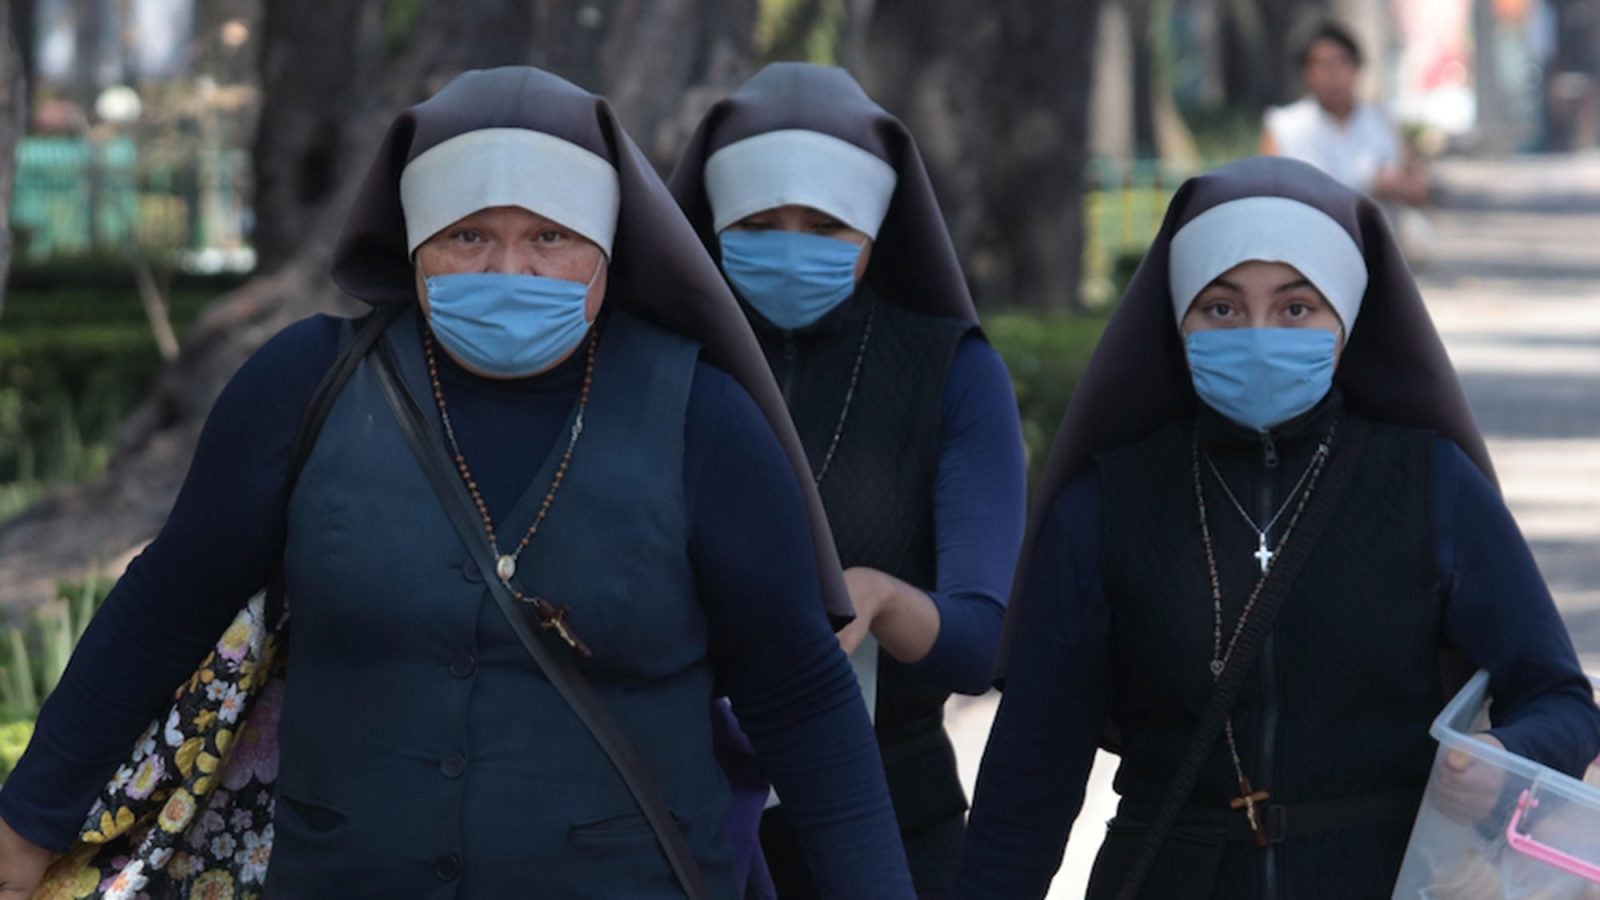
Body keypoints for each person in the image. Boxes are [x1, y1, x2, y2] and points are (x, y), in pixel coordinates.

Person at [0, 66, 916, 898]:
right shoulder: (304, 386)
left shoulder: (700, 418)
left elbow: (799, 695)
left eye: (549, 237)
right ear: (412, 242)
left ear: (605, 246)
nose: (509, 271)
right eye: (468, 234)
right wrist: (25, 825)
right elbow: (163, 611)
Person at [955, 156, 1600, 899]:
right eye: (1222, 309)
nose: (1258, 335)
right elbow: (1031, 770)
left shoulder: (1429, 484)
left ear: (1346, 319)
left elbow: (1560, 698)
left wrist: (1501, 756)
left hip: (1379, 875)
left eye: (1296, 309)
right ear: (1179, 319)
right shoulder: (1107, 503)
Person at [670, 63, 1027, 897]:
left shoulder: (950, 373)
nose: (793, 246)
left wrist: (882, 598)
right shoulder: (660, 366)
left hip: (898, 824)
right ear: (716, 224)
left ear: (875, 229)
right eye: (760, 223)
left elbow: (984, 642)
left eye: (826, 226)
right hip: (677, 824)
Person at [1261, 20, 1429, 208]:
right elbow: (1266, 196)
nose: (1333, 75)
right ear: (1306, 72)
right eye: (1322, 65)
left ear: (1357, 67)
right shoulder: (1285, 126)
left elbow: (1419, 191)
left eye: (1341, 63)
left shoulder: (1383, 122)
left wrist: (1394, 185)